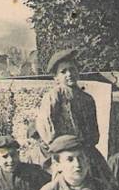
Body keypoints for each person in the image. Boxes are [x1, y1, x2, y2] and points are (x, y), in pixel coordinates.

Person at [35, 48, 111, 181]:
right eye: (63, 72)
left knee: (104, 179)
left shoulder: (87, 98)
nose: (69, 74)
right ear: (56, 78)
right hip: (63, 151)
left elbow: (93, 131)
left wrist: (87, 146)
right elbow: (46, 128)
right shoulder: (53, 97)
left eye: (72, 69)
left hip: (86, 150)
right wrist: (61, 151)